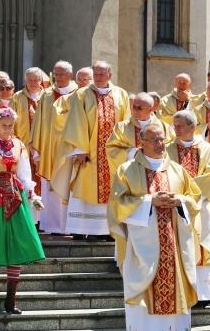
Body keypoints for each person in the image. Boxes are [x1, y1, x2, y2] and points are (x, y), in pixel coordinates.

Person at [108, 124, 202, 331]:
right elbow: (118, 205)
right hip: (144, 250)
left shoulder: (178, 171)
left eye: (162, 139)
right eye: (154, 140)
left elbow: (195, 200)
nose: (160, 144)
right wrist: (150, 201)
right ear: (142, 142)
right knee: (144, 298)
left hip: (173, 247)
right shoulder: (126, 170)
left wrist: (179, 201)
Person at [52, 60, 130, 240]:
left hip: (113, 154)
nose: (98, 77)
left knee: (113, 189)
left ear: (110, 75)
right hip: (90, 153)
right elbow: (75, 120)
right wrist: (80, 148)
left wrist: (125, 146)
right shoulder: (82, 94)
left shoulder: (121, 94)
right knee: (85, 188)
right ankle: (82, 228)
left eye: (102, 74)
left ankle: (108, 230)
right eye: (96, 74)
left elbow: (126, 121)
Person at [167, 110, 210, 307]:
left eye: (179, 126)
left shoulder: (208, 149)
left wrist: (187, 193)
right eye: (174, 126)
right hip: (177, 208)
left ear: (192, 127)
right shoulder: (167, 150)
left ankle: (207, 293)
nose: (175, 129)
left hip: (201, 204)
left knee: (203, 244)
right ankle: (185, 292)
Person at [0, 107, 45, 314]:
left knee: (17, 243)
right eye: (4, 125)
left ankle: (10, 300)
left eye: (10, 125)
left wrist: (33, 197)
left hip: (15, 196)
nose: (7, 129)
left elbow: (25, 173)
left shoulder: (19, 145)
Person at [28, 60, 78, 235]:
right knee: (50, 186)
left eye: (62, 74)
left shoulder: (79, 94)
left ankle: (70, 226)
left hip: (70, 151)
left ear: (70, 75)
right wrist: (37, 148)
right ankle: (52, 226)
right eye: (56, 74)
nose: (58, 77)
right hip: (50, 149)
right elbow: (39, 123)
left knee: (69, 185)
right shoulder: (47, 95)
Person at [105, 92, 174, 184]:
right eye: (134, 107)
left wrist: (154, 152)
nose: (135, 111)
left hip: (154, 173)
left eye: (140, 108)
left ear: (150, 109)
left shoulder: (163, 127)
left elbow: (172, 147)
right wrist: (133, 152)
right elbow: (111, 148)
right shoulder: (121, 127)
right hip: (130, 173)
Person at [10, 67, 44, 223]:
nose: (32, 83)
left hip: (43, 149)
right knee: (25, 180)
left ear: (40, 80)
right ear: (25, 80)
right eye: (29, 80)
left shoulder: (46, 96)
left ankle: (43, 219)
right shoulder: (17, 97)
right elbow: (11, 123)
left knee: (43, 182)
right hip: (22, 148)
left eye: (35, 80)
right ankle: (29, 219)